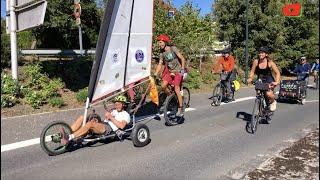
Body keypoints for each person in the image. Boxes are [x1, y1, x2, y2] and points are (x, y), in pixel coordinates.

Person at [60, 95, 131, 145]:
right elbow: (106, 119)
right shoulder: (114, 111)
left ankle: (69, 137)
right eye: (116, 104)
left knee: (90, 124)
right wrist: (102, 119)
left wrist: (111, 117)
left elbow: (121, 126)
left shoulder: (125, 114)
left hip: (110, 129)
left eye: (119, 104)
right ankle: (68, 133)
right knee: (83, 117)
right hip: (104, 124)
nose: (117, 106)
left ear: (123, 105)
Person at [153, 34, 186, 117]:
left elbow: (182, 58)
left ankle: (180, 108)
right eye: (158, 43)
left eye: (160, 42)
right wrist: (155, 74)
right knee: (163, 86)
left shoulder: (173, 48)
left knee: (176, 88)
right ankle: (171, 98)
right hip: (170, 72)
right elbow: (160, 64)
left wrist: (182, 69)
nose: (159, 44)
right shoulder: (162, 53)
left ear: (165, 42)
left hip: (179, 71)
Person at [247, 46, 281, 112]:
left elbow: (277, 73)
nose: (260, 54)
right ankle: (259, 106)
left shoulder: (270, 63)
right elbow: (252, 71)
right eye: (259, 53)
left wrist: (277, 81)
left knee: (268, 94)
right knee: (258, 92)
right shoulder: (256, 61)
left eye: (262, 53)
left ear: (266, 54)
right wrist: (250, 78)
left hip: (269, 79)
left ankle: (273, 102)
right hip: (260, 78)